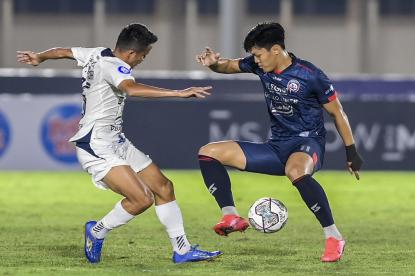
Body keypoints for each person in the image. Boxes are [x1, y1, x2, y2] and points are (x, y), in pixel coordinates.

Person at [17, 23, 222, 264]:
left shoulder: (97, 53)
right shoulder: (116, 66)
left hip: (117, 141)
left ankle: (183, 250)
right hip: (96, 146)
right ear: (133, 53)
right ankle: (97, 231)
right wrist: (178, 93)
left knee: (164, 187)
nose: (142, 60)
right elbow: (132, 89)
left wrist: (40, 56)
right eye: (144, 56)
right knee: (142, 199)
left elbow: (64, 51)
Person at [195, 22, 363, 262]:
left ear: (275, 50)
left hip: (307, 144)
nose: (256, 60)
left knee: (295, 170)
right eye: (253, 55)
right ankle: (231, 216)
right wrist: (213, 64)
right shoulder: (259, 65)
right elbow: (229, 66)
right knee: (208, 152)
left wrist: (351, 152)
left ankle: (333, 236)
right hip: (275, 147)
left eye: (258, 54)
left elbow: (338, 113)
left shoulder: (310, 75)